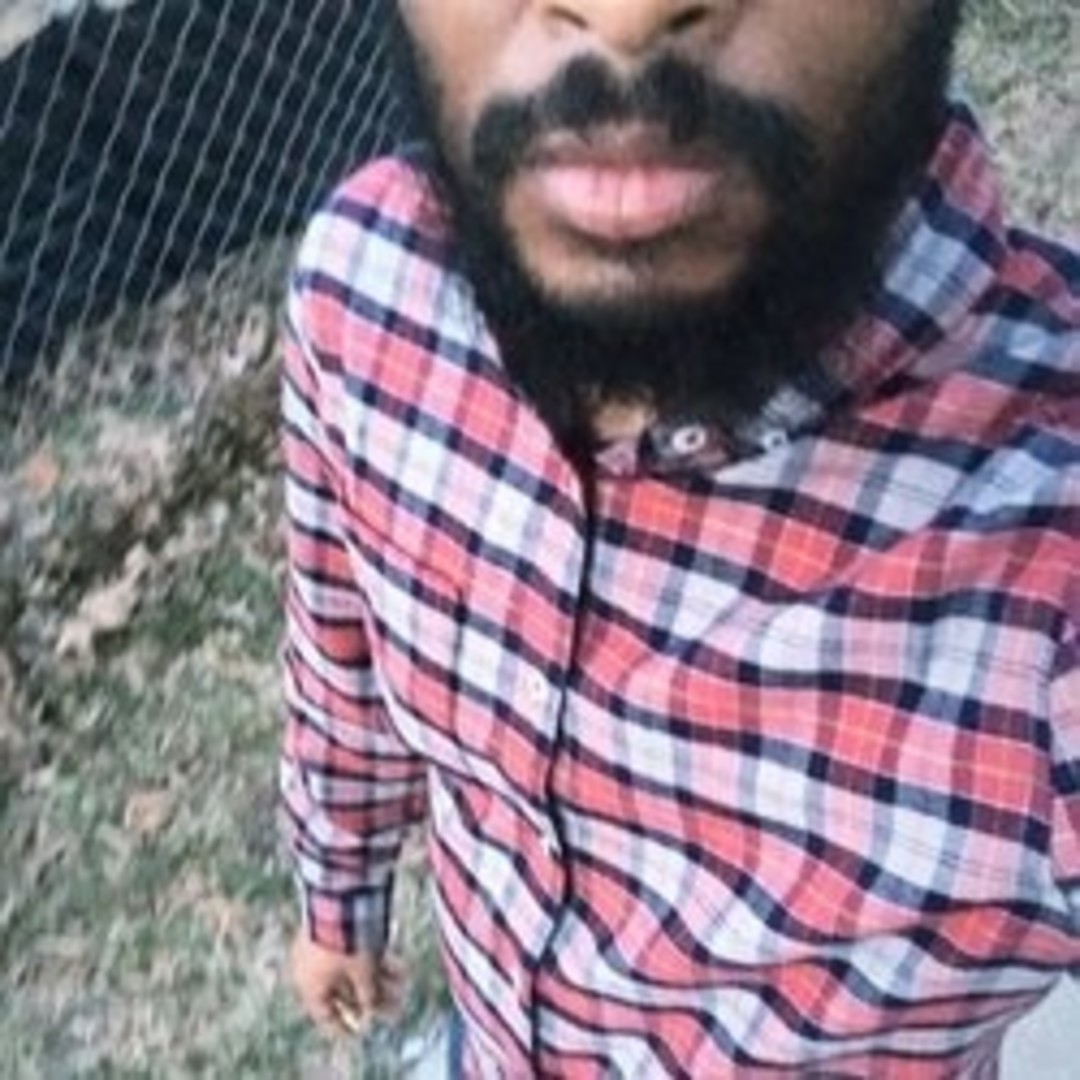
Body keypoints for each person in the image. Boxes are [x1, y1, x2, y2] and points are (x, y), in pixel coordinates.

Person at [280, 1, 1079, 1074]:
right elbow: (339, 648)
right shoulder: (364, 292)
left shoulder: (1045, 545)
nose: (626, 15)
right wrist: (338, 890)